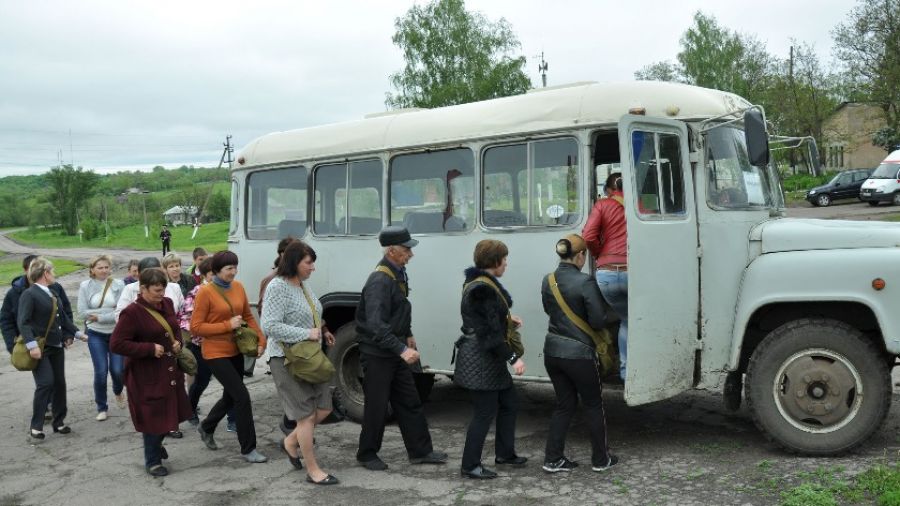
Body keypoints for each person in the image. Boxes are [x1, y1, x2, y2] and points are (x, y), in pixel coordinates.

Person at [355, 226, 447, 471]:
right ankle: (366, 454)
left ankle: (420, 451)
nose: (411, 254)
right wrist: (401, 350)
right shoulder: (380, 280)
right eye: (407, 250)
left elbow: (399, 310)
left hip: (392, 350)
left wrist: (408, 334)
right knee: (377, 406)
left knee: (409, 400)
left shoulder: (398, 272)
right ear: (392, 251)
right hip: (377, 354)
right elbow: (375, 324)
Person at [262, 241, 339, 485]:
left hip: (310, 359)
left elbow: (312, 313)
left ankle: (291, 441)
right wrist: (307, 334)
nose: (313, 267)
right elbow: (269, 326)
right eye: (309, 262)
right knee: (305, 416)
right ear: (294, 262)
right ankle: (313, 470)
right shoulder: (277, 286)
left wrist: (322, 329)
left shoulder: (303, 285)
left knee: (325, 408)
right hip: (286, 360)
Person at [540, 234, 618, 473]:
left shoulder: (548, 280)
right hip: (579, 355)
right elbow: (596, 320)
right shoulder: (585, 282)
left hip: (552, 352)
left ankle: (553, 459)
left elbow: (548, 310)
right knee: (593, 404)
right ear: (581, 255)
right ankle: (600, 459)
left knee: (564, 405)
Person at [454, 239, 526, 479]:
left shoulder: (479, 283)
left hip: (487, 359)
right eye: (504, 260)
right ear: (495, 262)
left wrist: (507, 318)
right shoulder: (481, 289)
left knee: (509, 403)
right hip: (482, 360)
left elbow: (485, 319)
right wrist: (514, 358)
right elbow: (489, 334)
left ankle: (505, 454)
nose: (506, 264)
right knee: (484, 413)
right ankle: (470, 465)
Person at [110, 268, 192, 477]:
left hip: (170, 371)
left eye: (162, 289)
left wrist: (177, 342)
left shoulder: (166, 303)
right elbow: (117, 344)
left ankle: (155, 444)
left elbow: (173, 328)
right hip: (145, 374)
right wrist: (148, 349)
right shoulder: (131, 313)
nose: (160, 294)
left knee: (172, 412)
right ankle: (152, 461)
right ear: (143, 288)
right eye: (156, 290)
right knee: (153, 417)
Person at [190, 250, 268, 463]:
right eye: (229, 269)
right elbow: (195, 327)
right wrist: (226, 325)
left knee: (230, 396)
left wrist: (261, 340)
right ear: (216, 271)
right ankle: (248, 448)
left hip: (236, 350)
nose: (234, 272)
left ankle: (206, 426)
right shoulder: (205, 292)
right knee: (241, 396)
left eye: (235, 267)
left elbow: (248, 316)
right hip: (215, 353)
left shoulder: (238, 287)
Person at [18, 257, 86, 442]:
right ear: (45, 273)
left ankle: (59, 422)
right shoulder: (29, 294)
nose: (54, 274)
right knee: (45, 383)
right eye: (52, 271)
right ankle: (36, 426)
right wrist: (32, 346)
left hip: (56, 347)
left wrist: (78, 334)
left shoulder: (52, 293)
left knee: (59, 384)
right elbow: (23, 322)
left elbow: (63, 319)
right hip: (40, 348)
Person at [177, 258, 236, 430]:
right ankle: (191, 408)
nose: (216, 277)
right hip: (201, 346)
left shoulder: (229, 289)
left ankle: (232, 419)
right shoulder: (196, 292)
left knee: (231, 384)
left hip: (226, 345)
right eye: (212, 274)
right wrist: (206, 331)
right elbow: (185, 321)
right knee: (201, 382)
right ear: (204, 275)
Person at [583, 172, 628, 381]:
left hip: (607, 273)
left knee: (624, 319)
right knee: (633, 320)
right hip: (632, 271)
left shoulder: (602, 205)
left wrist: (600, 253)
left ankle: (624, 372)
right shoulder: (640, 206)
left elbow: (588, 236)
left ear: (610, 190)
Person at [257, 236, 298, 435]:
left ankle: (294, 430)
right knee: (292, 393)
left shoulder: (297, 279)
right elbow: (266, 317)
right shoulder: (272, 281)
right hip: (282, 348)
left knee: (298, 393)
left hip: (298, 346)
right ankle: (292, 432)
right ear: (283, 255)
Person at [77, 254, 126, 421]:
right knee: (101, 371)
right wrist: (106, 314)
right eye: (100, 267)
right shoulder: (85, 286)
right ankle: (102, 407)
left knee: (118, 370)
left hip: (116, 333)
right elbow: (82, 312)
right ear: (92, 269)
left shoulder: (118, 285)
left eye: (106, 267)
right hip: (95, 333)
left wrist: (99, 316)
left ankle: (118, 391)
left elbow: (121, 311)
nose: (104, 270)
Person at [2, 254, 74, 354]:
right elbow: (6, 321)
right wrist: (12, 346)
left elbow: (65, 312)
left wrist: (68, 334)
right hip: (30, 345)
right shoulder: (15, 293)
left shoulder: (55, 288)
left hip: (55, 343)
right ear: (25, 270)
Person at [116, 257, 184, 321]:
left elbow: (183, 311)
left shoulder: (174, 288)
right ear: (140, 275)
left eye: (157, 272)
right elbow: (119, 315)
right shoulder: (130, 289)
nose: (154, 276)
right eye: (149, 274)